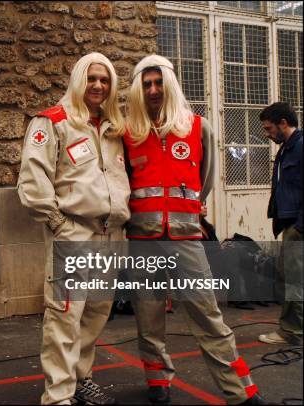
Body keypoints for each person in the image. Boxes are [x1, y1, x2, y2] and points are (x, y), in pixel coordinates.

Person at [122, 55, 265, 405]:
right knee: (149, 314)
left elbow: (206, 181)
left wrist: (187, 210)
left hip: (187, 238)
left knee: (208, 314)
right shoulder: (129, 133)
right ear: (140, 89)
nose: (153, 90)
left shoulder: (198, 127)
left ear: (169, 84)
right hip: (143, 240)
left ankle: (240, 392)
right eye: (147, 84)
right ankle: (158, 381)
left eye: (158, 83)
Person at [18, 52, 130, 405]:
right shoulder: (52, 122)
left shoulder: (116, 129)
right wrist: (59, 225)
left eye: (105, 80)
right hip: (74, 235)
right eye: (92, 78)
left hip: (112, 237)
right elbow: (33, 181)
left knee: (96, 314)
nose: (98, 85)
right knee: (65, 316)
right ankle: (58, 395)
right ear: (78, 80)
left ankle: (81, 379)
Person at [258, 102, 303, 345]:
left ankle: (292, 331)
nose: (267, 134)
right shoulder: (287, 148)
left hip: (297, 225)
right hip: (290, 222)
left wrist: (298, 227)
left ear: (283, 124)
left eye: (268, 128)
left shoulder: (300, 147)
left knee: (294, 278)